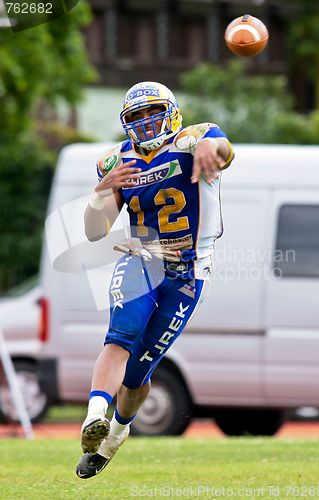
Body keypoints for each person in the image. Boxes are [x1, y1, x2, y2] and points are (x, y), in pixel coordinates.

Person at [76, 81, 234, 479]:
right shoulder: (116, 160)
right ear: (126, 124)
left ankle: (118, 430)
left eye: (153, 112)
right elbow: (96, 231)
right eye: (137, 117)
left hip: (191, 270)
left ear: (173, 111)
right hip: (143, 257)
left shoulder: (195, 138)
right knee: (120, 336)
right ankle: (94, 413)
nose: (146, 122)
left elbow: (223, 150)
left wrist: (208, 148)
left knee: (138, 373)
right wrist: (100, 194)